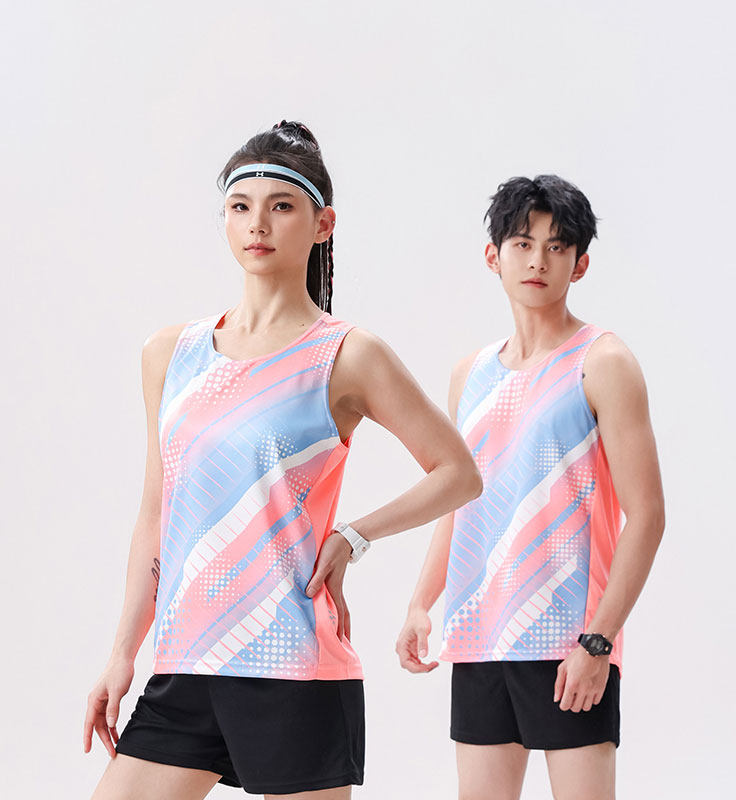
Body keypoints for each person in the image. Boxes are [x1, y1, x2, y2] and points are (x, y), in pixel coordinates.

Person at [84, 119, 483, 799]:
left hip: (291, 666)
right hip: (186, 665)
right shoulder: (170, 355)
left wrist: (353, 536)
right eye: (240, 207)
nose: (257, 224)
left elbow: (459, 473)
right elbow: (155, 515)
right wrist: (122, 654)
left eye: (282, 206)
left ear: (323, 224)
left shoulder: (347, 354)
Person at [396, 175, 665, 800]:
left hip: (569, 640)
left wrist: (598, 642)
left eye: (557, 246)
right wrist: (420, 602)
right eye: (523, 243)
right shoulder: (470, 373)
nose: (538, 261)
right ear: (494, 256)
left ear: (580, 263)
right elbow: (459, 498)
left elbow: (648, 515)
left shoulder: (603, 362)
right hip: (479, 636)